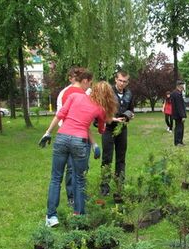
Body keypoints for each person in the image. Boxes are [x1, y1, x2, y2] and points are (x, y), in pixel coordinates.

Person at [39, 80, 118, 227]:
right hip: (79, 142)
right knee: (79, 179)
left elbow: (60, 114)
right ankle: (78, 217)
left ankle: (51, 217)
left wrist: (48, 132)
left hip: (61, 138)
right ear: (107, 95)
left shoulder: (75, 96)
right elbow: (101, 129)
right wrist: (97, 139)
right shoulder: (100, 109)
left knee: (56, 178)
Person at [56, 67, 96, 207]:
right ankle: (72, 197)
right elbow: (61, 115)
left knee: (83, 167)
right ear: (70, 78)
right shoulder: (65, 93)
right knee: (71, 168)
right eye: (74, 77)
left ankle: (81, 195)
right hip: (69, 134)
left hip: (84, 134)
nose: (76, 79)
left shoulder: (88, 92)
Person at [100, 71, 134, 196]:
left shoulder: (129, 93)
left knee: (121, 158)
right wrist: (113, 119)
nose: (122, 83)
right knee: (107, 158)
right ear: (115, 79)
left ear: (127, 82)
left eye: (125, 81)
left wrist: (129, 115)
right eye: (120, 80)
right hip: (108, 128)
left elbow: (131, 109)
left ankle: (120, 184)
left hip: (122, 128)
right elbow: (101, 111)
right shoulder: (108, 92)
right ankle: (104, 186)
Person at [170, 80, 187, 146]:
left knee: (179, 127)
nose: (183, 86)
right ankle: (178, 142)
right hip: (178, 115)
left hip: (176, 114)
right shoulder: (177, 94)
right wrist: (183, 116)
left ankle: (179, 141)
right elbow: (179, 106)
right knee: (179, 128)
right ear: (179, 86)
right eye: (182, 85)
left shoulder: (175, 93)